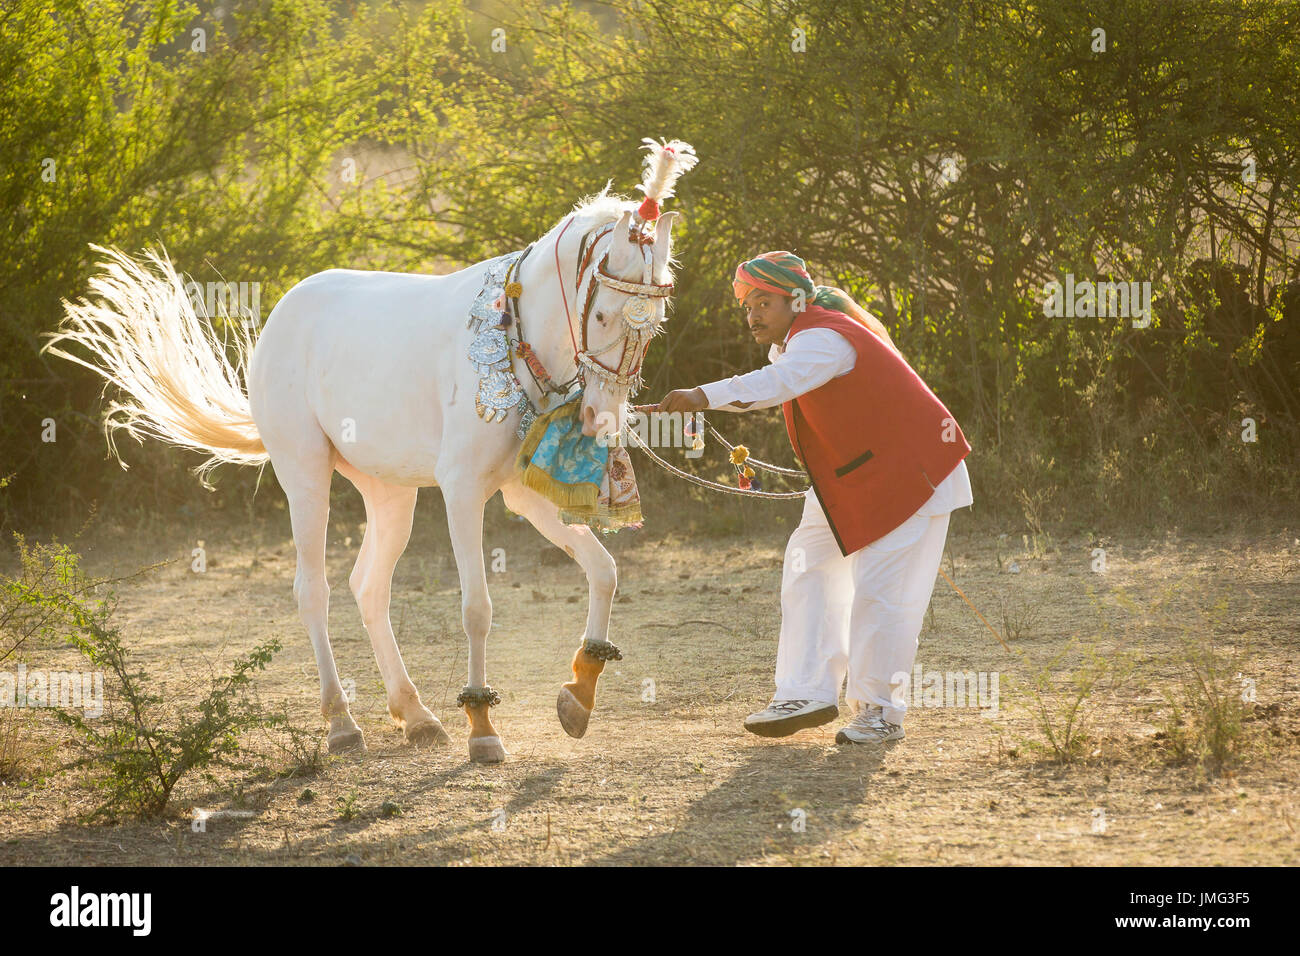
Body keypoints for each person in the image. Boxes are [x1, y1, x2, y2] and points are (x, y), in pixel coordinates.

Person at [655, 251, 972, 745]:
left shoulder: (823, 338)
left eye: (764, 302)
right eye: (747, 306)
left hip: (914, 476)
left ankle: (879, 715)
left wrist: (701, 394)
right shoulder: (796, 343)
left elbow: (776, 386)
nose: (753, 315)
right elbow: (780, 379)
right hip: (851, 479)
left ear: (796, 300)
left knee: (880, 596)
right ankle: (805, 692)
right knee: (807, 564)